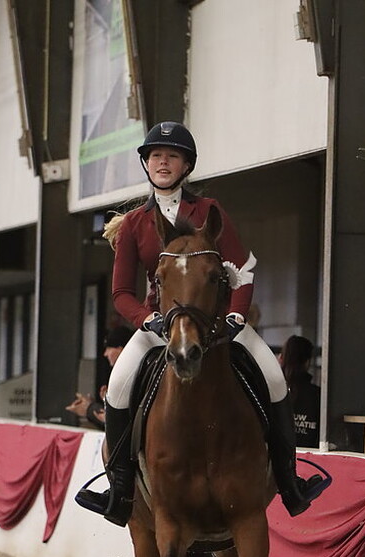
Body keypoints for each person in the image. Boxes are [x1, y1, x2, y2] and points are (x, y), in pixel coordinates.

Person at [76, 120, 324, 526]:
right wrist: (148, 320)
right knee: (119, 387)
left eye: (172, 156)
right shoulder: (136, 224)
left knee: (275, 379)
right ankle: (120, 488)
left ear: (186, 165)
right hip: (159, 326)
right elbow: (121, 292)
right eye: (156, 155)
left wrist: (235, 315)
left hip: (217, 324)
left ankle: (288, 479)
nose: (163, 162)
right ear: (146, 163)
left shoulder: (209, 212)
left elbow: (242, 270)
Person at [66, 326, 132, 429]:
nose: (105, 354)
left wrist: (89, 409)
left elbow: (121, 422)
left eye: (109, 348)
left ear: (121, 350)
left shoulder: (128, 376)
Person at [279, 335, 320, 449]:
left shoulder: (270, 392)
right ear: (307, 362)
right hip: (311, 462)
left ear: (281, 358)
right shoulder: (318, 396)